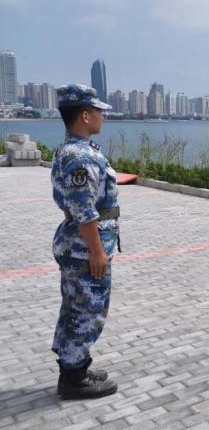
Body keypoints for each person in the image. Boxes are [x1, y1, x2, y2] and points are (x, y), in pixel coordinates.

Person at [50, 84, 120, 399]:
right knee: (87, 309)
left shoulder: (74, 149)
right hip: (84, 249)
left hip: (78, 245)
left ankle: (76, 366)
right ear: (86, 115)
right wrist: (97, 252)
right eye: (99, 111)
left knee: (76, 307)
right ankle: (74, 380)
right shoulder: (79, 156)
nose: (103, 116)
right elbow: (84, 209)